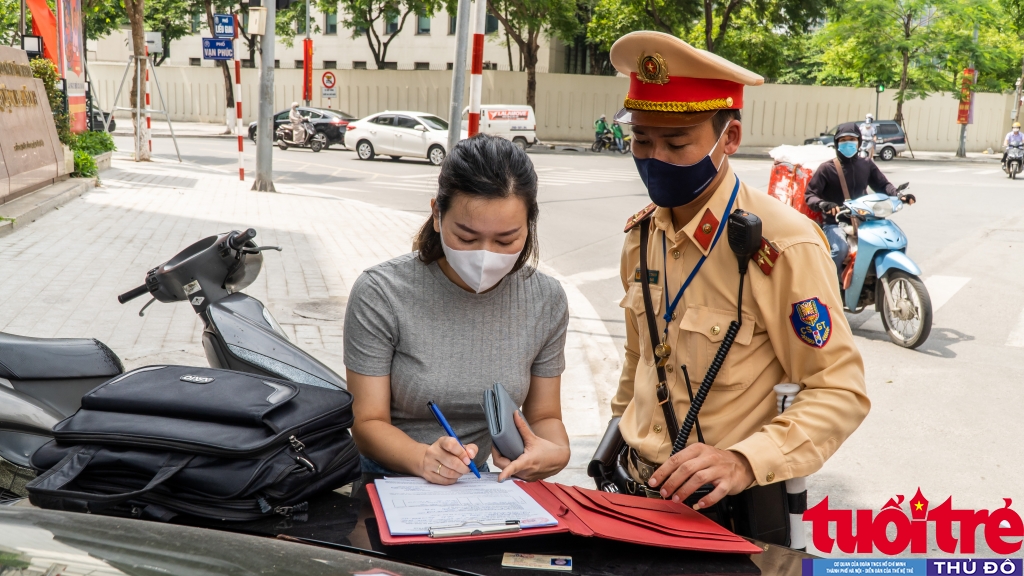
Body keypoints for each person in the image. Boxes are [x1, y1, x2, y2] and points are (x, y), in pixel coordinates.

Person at [606, 31, 869, 534]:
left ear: (729, 139)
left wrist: (746, 461)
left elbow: (838, 389)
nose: (654, 156)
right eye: (641, 139)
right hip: (633, 493)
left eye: (677, 142)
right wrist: (617, 432)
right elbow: (638, 359)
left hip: (728, 513)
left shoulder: (784, 244)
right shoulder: (642, 236)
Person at [343, 134, 571, 485]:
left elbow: (544, 415)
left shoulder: (545, 299)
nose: (485, 254)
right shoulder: (381, 292)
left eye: (506, 240)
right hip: (390, 483)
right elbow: (367, 423)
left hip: (486, 487)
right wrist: (423, 459)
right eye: (466, 238)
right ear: (437, 214)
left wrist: (554, 451)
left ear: (529, 225)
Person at [805, 122, 916, 274]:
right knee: (840, 249)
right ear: (837, 143)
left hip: (866, 220)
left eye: (852, 139)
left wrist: (899, 195)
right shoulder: (827, 168)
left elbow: (883, 185)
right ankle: (829, 287)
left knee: (889, 241)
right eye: (843, 140)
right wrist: (824, 204)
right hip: (836, 223)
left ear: (859, 142)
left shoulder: (866, 164)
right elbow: (810, 195)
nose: (847, 143)